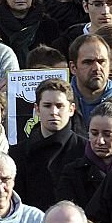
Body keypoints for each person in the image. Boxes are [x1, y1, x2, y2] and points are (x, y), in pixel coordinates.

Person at [9, 79, 86, 212]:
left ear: (71, 109)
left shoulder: (85, 150)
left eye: (59, 105)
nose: (54, 112)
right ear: (37, 109)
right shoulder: (17, 153)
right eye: (47, 105)